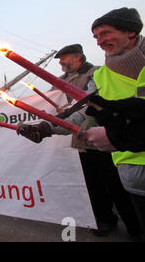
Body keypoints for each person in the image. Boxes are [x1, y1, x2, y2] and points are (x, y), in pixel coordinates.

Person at [17, 8, 145, 239]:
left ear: (131, 31)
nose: (100, 41)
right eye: (96, 37)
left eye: (105, 33)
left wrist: (117, 136)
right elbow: (83, 110)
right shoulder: (101, 77)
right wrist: (46, 128)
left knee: (117, 194)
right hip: (131, 170)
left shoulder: (94, 72)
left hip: (114, 147)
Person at [52, 44, 140, 237]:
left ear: (77, 57)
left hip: (104, 136)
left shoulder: (96, 73)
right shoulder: (59, 82)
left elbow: (92, 104)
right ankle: (104, 220)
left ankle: (134, 227)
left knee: (116, 185)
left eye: (63, 58)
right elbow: (61, 106)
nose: (60, 63)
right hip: (81, 139)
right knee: (93, 185)